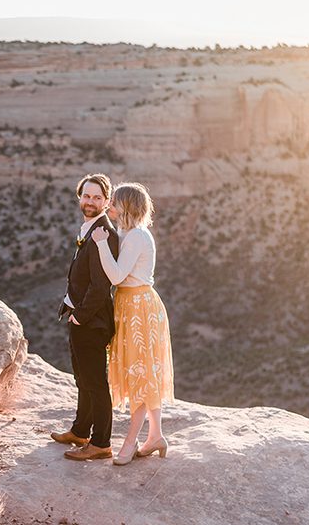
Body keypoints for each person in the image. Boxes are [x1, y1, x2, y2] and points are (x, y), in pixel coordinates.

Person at [90, 182, 175, 465]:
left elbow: (115, 276)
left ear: (126, 205)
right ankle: (156, 436)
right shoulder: (128, 233)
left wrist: (101, 244)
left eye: (114, 201)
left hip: (139, 308)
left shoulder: (137, 236)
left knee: (140, 374)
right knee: (143, 372)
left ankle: (131, 441)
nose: (109, 206)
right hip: (129, 305)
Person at [53, 173, 121, 461]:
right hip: (80, 317)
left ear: (106, 201)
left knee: (95, 382)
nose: (90, 201)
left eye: (96, 197)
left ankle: (102, 442)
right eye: (86, 196)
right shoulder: (90, 228)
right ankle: (81, 430)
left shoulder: (105, 234)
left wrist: (80, 316)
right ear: (79, 197)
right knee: (82, 378)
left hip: (92, 321)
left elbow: (101, 285)